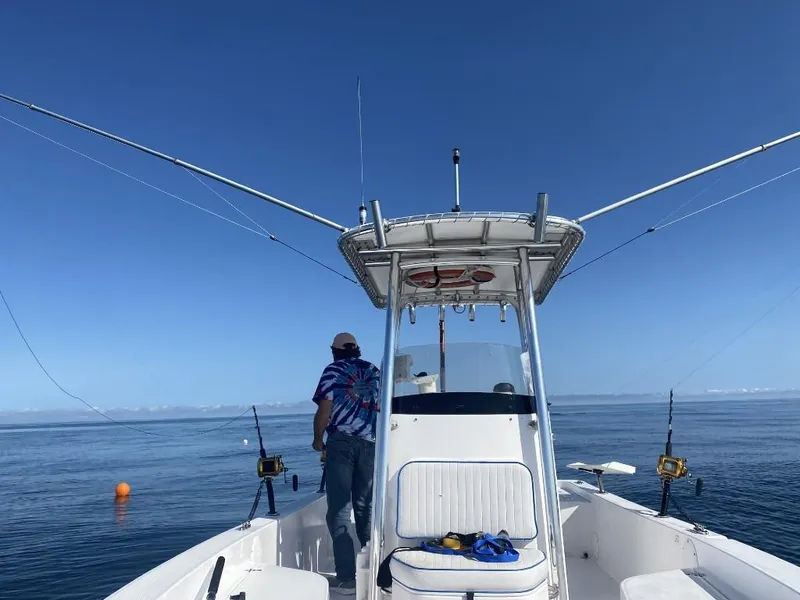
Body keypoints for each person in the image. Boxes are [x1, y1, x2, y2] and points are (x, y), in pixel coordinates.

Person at [311, 332, 381, 594]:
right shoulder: (373, 371)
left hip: (341, 444)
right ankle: (372, 570)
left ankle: (347, 578)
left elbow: (324, 410)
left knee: (339, 510)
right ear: (357, 349)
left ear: (335, 351)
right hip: (371, 445)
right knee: (365, 509)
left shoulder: (332, 371)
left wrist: (318, 440)